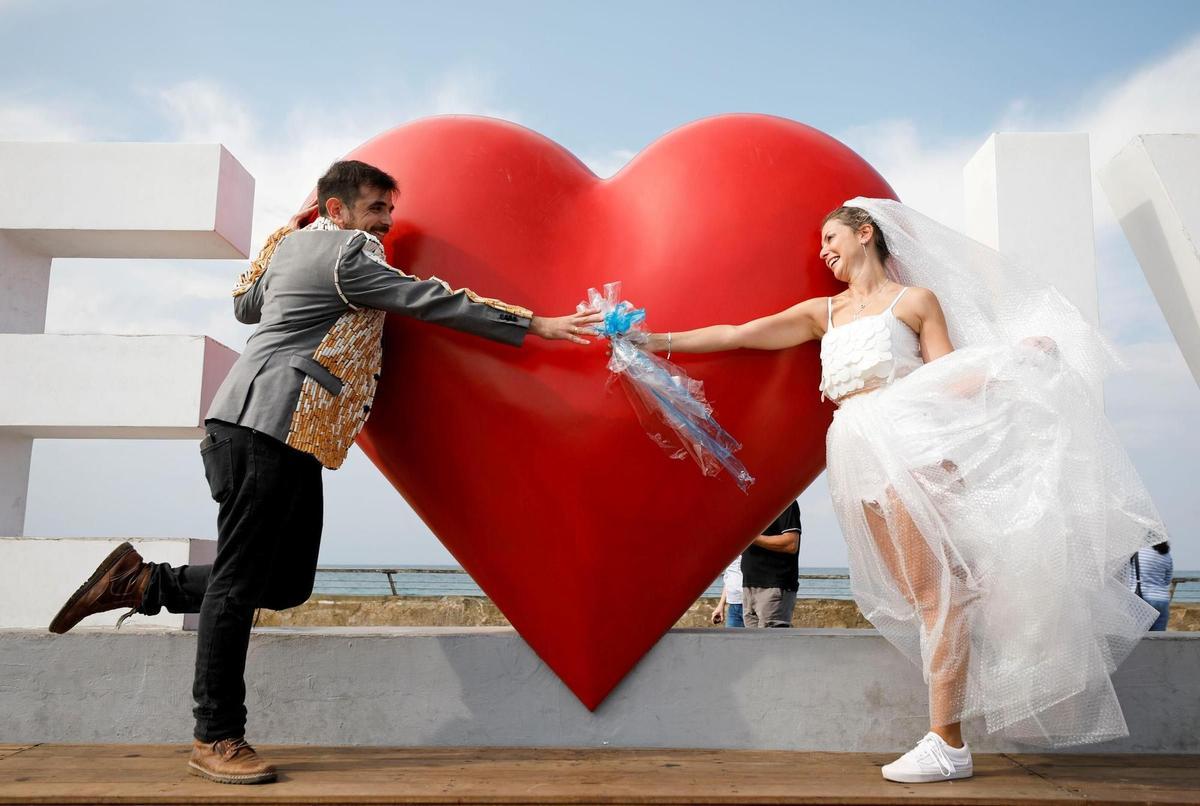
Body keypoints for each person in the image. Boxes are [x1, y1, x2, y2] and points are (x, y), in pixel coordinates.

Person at [48, 160, 602, 785]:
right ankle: (216, 736)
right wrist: (535, 324)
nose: (386, 225)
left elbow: (244, 303)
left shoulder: (293, 249)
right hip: (264, 427)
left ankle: (141, 583)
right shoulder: (349, 254)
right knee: (237, 585)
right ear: (336, 211)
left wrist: (283, 233)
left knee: (285, 583)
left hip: (289, 435)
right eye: (375, 210)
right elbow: (427, 298)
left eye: (389, 212)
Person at [644, 198, 1165, 783]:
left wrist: (1011, 363)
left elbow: (947, 380)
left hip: (909, 445)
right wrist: (654, 339)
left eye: (830, 238)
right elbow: (738, 335)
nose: (823, 251)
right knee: (928, 595)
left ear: (865, 234)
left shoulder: (913, 302)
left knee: (938, 594)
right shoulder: (826, 312)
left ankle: (948, 741)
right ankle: (951, 724)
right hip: (856, 452)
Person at [741, 501, 802, 628]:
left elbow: (791, 544)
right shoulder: (750, 505)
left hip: (773, 587)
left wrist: (750, 537)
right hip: (749, 587)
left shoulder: (786, 501)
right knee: (751, 645)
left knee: (772, 644)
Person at [1129, 537, 1173, 631]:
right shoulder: (1166, 554)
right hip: (1162, 600)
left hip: (1140, 599)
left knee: (1139, 638)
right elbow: (1167, 580)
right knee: (1158, 638)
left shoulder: (1136, 552)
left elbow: (1125, 575)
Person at [711, 556, 745, 628]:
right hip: (733, 606)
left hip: (750, 605)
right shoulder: (730, 552)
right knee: (731, 638)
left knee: (754, 638)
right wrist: (721, 605)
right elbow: (729, 579)